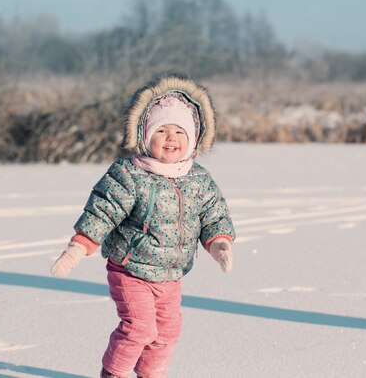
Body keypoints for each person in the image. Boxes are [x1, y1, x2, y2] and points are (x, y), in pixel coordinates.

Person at [50, 74, 235, 378]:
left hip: (170, 275)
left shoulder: (198, 179)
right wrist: (77, 248)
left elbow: (213, 216)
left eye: (179, 131)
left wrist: (219, 244)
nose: (171, 138)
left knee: (167, 332)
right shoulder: (129, 174)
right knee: (139, 328)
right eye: (161, 130)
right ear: (145, 136)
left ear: (193, 138)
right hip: (129, 270)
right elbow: (102, 211)